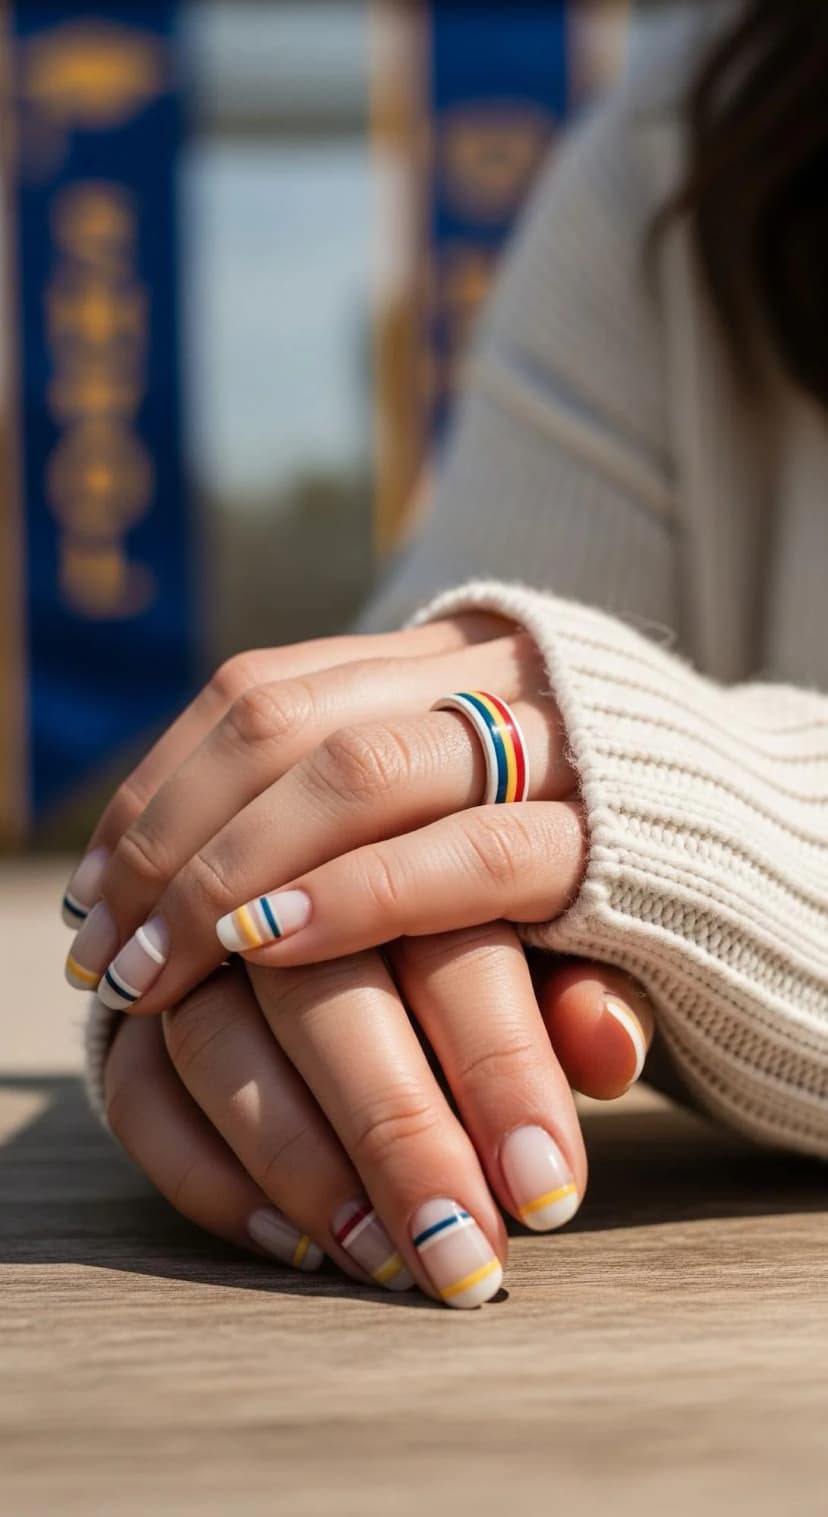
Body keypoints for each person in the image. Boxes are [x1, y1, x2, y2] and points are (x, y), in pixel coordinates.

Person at [61, 1, 827, 1308]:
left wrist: (724, 820)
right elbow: (388, 789)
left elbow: (593, 779)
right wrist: (261, 952)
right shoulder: (689, 141)